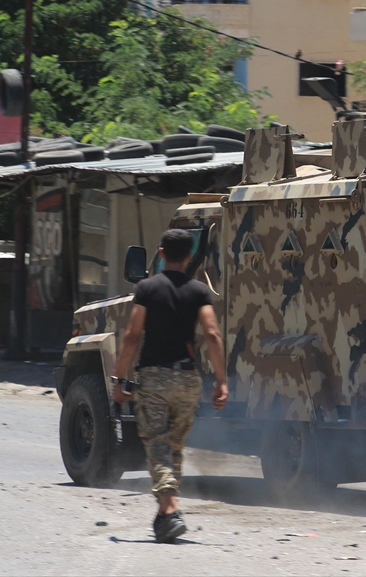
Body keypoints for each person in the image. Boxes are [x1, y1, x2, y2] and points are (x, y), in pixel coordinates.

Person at [112, 229, 228, 544]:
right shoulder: (199, 291)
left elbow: (132, 335)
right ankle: (164, 519)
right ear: (190, 256)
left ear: (161, 253)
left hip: (154, 379)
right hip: (188, 379)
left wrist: (118, 379)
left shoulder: (147, 288)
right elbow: (213, 334)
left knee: (157, 446)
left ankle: (171, 506)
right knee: (174, 448)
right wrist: (221, 381)